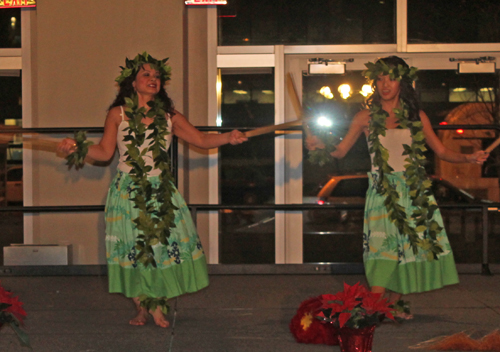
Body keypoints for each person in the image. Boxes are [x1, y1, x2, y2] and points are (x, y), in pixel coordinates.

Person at [57, 52, 247, 327]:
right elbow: (104, 152)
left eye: (157, 76)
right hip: (127, 191)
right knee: (133, 250)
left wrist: (228, 137)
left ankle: (158, 305)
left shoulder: (170, 116)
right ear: (131, 83)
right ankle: (142, 308)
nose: (153, 79)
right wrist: (78, 147)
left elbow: (202, 139)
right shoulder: (117, 114)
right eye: (146, 74)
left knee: (159, 248)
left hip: (160, 192)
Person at [306, 56, 489, 318]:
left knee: (408, 248)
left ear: (402, 82)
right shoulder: (364, 117)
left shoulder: (417, 116)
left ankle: (391, 304)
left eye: (391, 78)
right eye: (380, 79)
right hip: (382, 190)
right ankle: (372, 306)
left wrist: (469, 157)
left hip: (414, 191)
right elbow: (341, 151)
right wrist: (322, 145)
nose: (385, 84)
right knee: (382, 247)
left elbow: (442, 151)